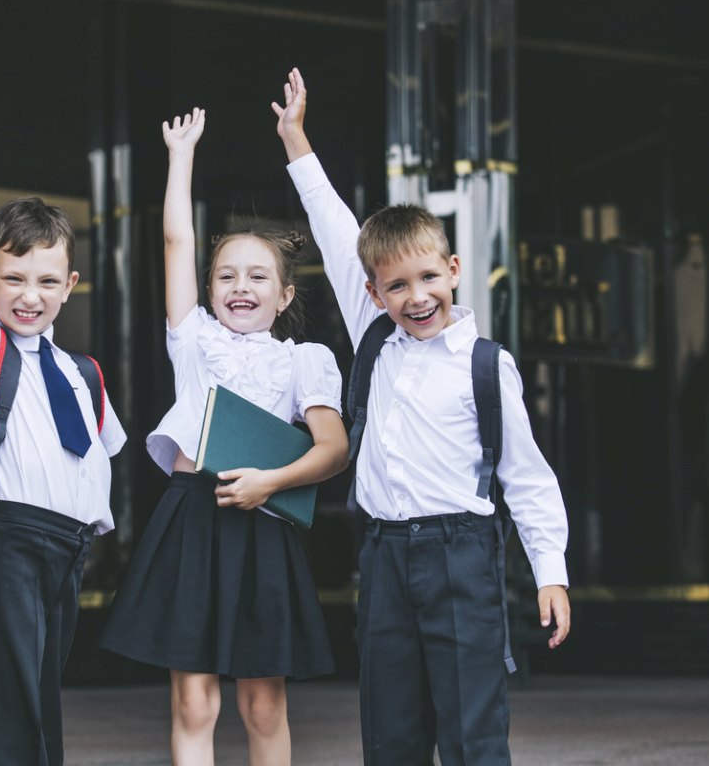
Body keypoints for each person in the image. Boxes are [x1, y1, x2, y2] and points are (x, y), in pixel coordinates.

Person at [273, 68, 571, 766]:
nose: (416, 297)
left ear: (455, 270)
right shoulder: (374, 333)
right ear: (373, 292)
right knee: (391, 732)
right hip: (382, 558)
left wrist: (549, 571)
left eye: (429, 278)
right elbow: (333, 222)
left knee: (472, 732)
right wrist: (295, 139)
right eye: (397, 286)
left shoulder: (485, 364)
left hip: (462, 556)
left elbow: (527, 477)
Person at [97, 107, 348, 766]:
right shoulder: (195, 340)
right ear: (209, 291)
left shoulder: (304, 361)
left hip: (263, 524)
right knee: (193, 701)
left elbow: (333, 449)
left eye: (258, 276)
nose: (241, 287)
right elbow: (177, 242)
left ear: (286, 294)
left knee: (264, 703)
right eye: (227, 276)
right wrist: (180, 156)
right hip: (192, 519)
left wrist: (271, 481)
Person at [0, 53, 127, 766]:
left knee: (40, 699)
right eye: (11, 278)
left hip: (68, 551)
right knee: (9, 705)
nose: (28, 295)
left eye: (45, 280)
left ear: (70, 284)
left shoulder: (82, 372)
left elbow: (99, 464)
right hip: (8, 541)